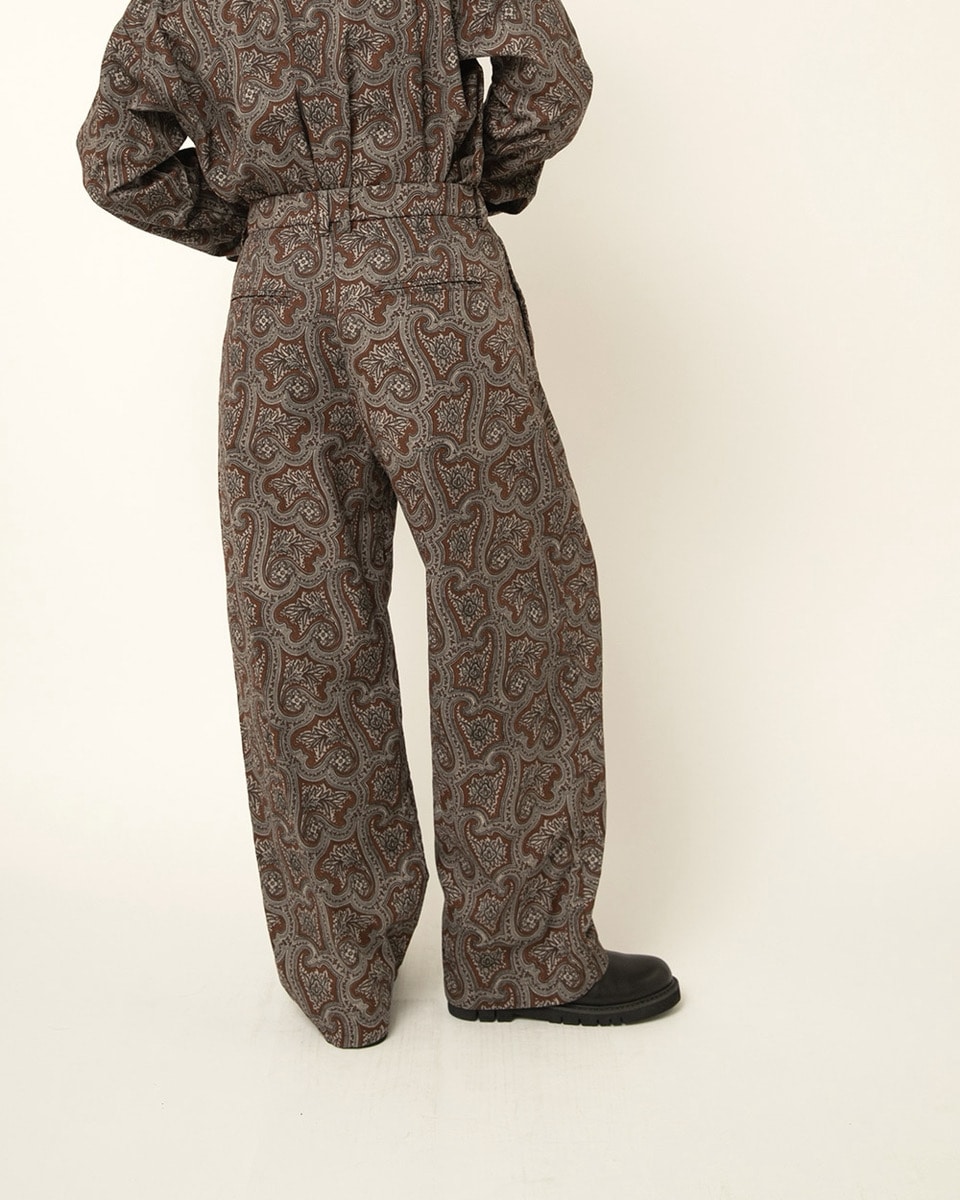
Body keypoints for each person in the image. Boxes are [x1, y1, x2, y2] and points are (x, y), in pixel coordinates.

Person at [76, 0, 681, 1049]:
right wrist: (458, 190)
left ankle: (339, 973)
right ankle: (519, 952)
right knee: (512, 591)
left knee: (303, 618)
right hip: (432, 275)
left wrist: (262, 226)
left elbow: (115, 157)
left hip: (279, 304)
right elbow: (550, 80)